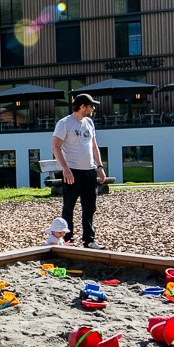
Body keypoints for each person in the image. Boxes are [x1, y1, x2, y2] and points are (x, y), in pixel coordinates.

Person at [51, 93, 111, 249]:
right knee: (68, 207)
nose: (93, 108)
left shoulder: (89, 122)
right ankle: (67, 239)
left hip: (89, 171)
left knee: (90, 207)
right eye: (91, 106)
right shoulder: (65, 123)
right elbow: (55, 146)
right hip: (73, 172)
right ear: (82, 107)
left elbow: (94, 146)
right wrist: (65, 168)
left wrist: (100, 167)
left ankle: (89, 240)